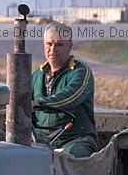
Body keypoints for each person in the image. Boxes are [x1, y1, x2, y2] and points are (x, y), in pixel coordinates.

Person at [31, 22, 98, 157]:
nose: (53, 49)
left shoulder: (81, 71)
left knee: (75, 157)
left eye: (59, 45)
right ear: (44, 45)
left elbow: (70, 97)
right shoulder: (36, 75)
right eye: (49, 44)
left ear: (70, 47)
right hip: (39, 138)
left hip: (74, 138)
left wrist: (40, 104)